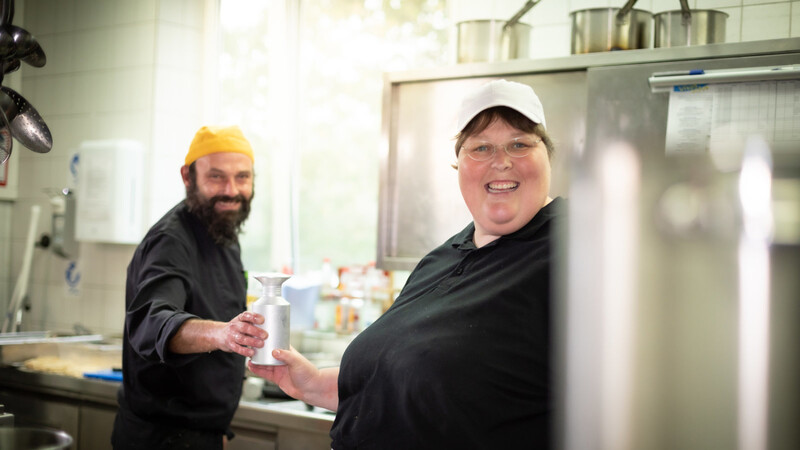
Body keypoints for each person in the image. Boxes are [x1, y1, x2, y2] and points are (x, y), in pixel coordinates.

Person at [249, 79, 563, 449]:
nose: (502, 160)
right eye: (481, 147)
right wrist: (314, 382)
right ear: (459, 165)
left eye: (520, 143)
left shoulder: (577, 251)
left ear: (547, 155)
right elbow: (411, 390)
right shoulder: (442, 259)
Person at [112, 125, 268, 450]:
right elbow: (150, 322)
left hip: (200, 434)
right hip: (160, 439)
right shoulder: (172, 240)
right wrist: (223, 334)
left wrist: (216, 429)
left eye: (242, 177)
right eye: (216, 177)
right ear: (188, 177)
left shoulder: (221, 230)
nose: (231, 190)